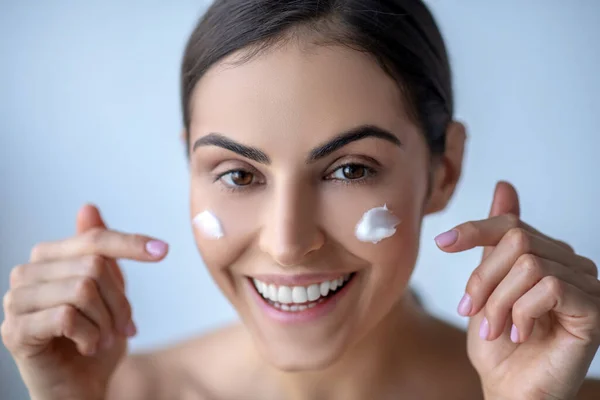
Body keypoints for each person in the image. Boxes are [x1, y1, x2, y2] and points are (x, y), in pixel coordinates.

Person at [2, 1, 600, 399]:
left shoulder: (555, 391)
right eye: (238, 175)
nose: (287, 243)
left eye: (349, 169)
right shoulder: (113, 395)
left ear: (443, 171)